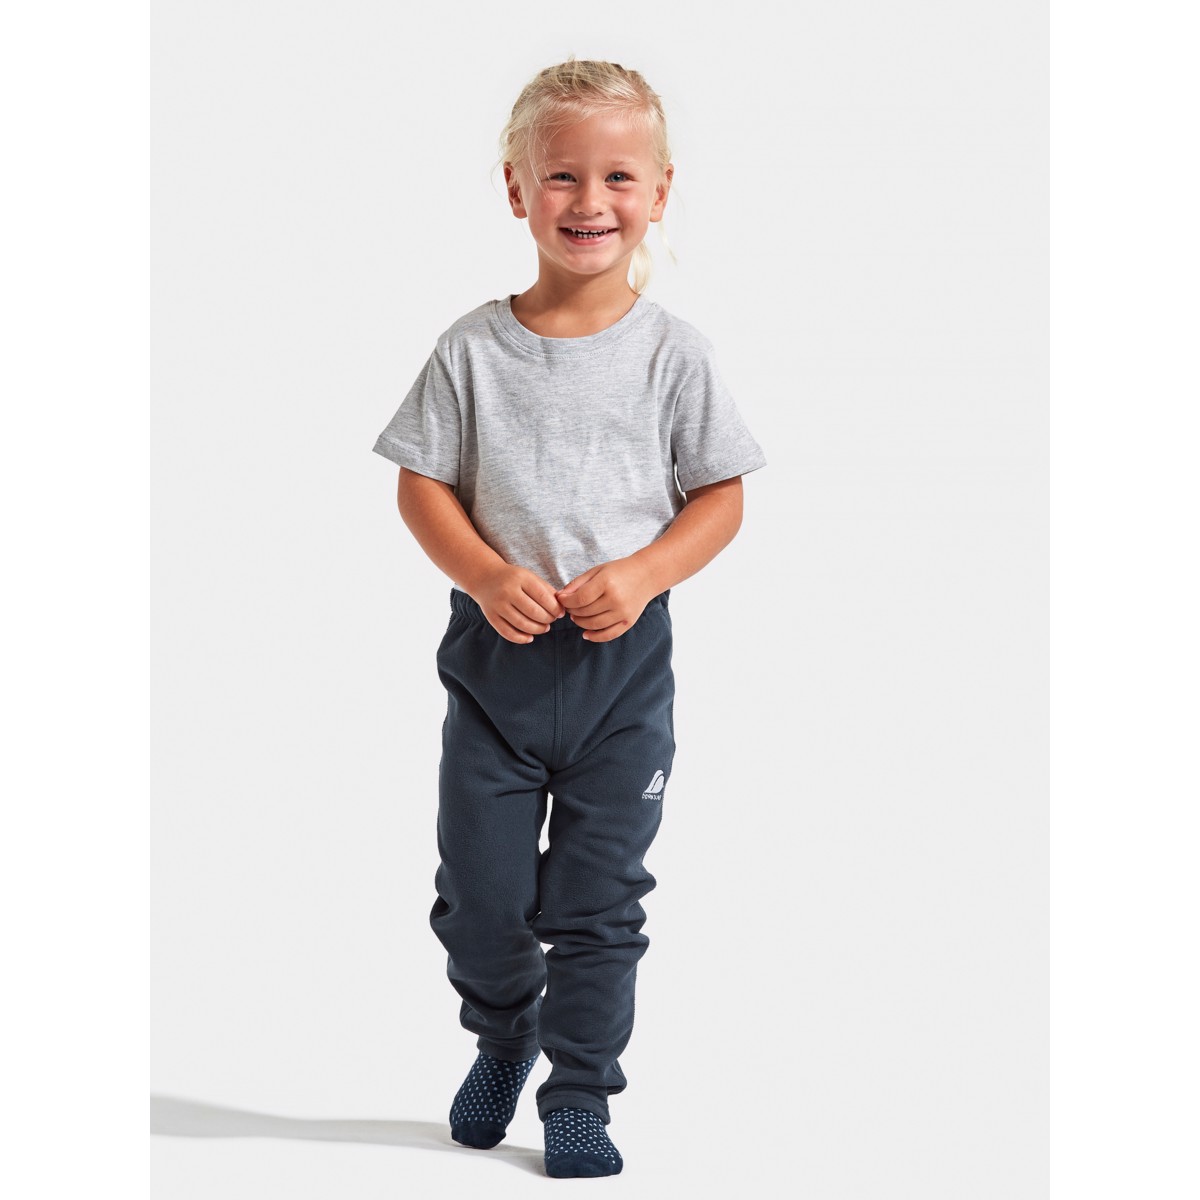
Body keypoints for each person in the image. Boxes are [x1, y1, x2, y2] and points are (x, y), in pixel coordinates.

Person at [372, 57, 767, 1179]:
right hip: (495, 677)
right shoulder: (471, 349)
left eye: (618, 177)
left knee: (598, 905)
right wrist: (483, 571)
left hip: (617, 683)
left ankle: (581, 1093)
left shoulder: (674, 355)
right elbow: (420, 483)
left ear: (659, 191)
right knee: (482, 895)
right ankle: (505, 1036)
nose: (590, 201)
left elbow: (722, 496)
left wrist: (642, 573)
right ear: (517, 189)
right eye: (562, 176)